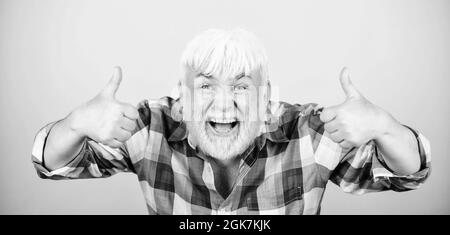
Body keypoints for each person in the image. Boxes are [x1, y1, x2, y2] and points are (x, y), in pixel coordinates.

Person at [31, 28, 431, 215]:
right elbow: (51, 166)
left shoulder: (310, 132)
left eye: (241, 87)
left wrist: (384, 127)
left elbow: (408, 175)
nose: (224, 105)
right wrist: (76, 125)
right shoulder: (147, 127)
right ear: (182, 96)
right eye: (205, 87)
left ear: (266, 93)